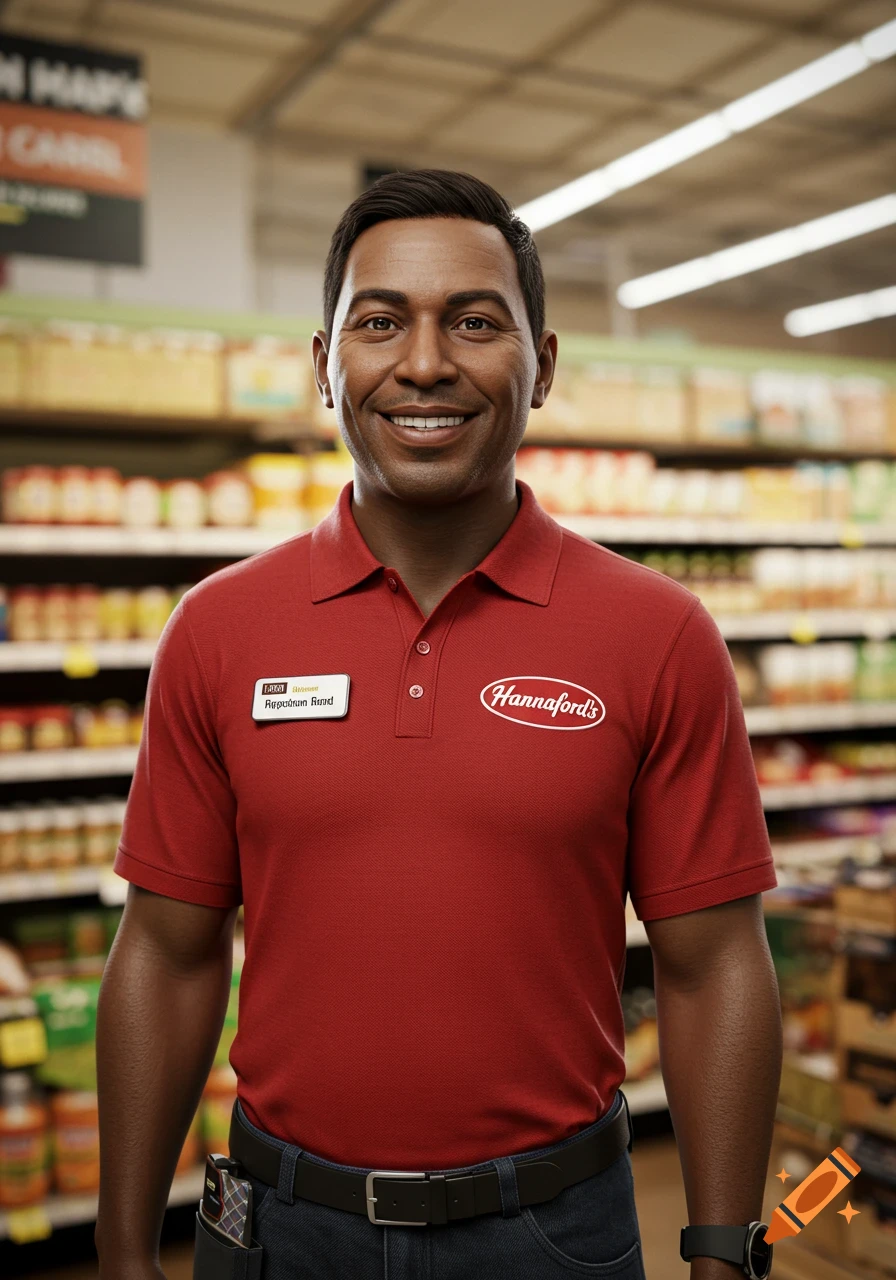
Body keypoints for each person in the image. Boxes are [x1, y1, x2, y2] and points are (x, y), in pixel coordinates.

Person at [95, 169, 782, 1280]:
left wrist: (722, 1253)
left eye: (473, 320)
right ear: (325, 366)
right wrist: (123, 1246)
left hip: (552, 1232)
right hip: (277, 1229)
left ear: (541, 364)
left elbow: (713, 968)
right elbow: (167, 954)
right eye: (378, 322)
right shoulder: (217, 630)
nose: (423, 363)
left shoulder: (656, 633)